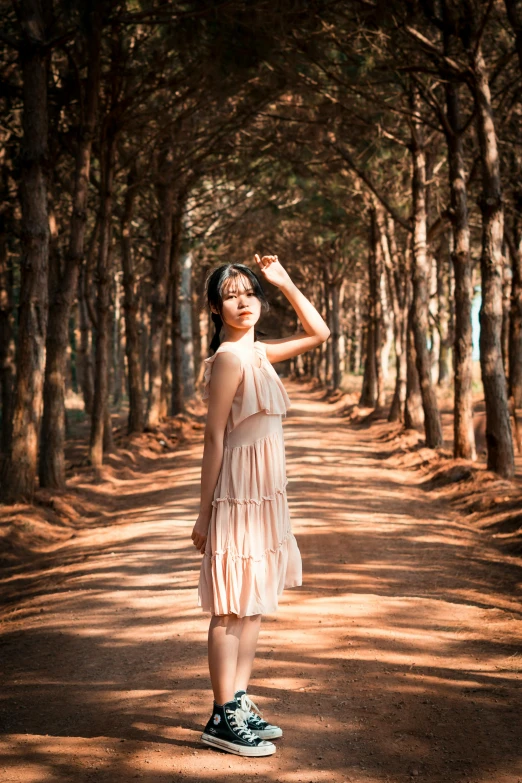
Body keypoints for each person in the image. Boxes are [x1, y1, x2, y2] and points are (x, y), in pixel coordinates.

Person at [191, 253, 330, 757]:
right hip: (237, 495)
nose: (242, 302)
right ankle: (223, 716)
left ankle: (237, 702)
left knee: (252, 605)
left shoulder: (259, 355)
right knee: (231, 607)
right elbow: (212, 439)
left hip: (265, 494)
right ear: (214, 308)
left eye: (249, 293)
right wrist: (205, 513)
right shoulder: (230, 358)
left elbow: (320, 333)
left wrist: (285, 281)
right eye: (230, 295)